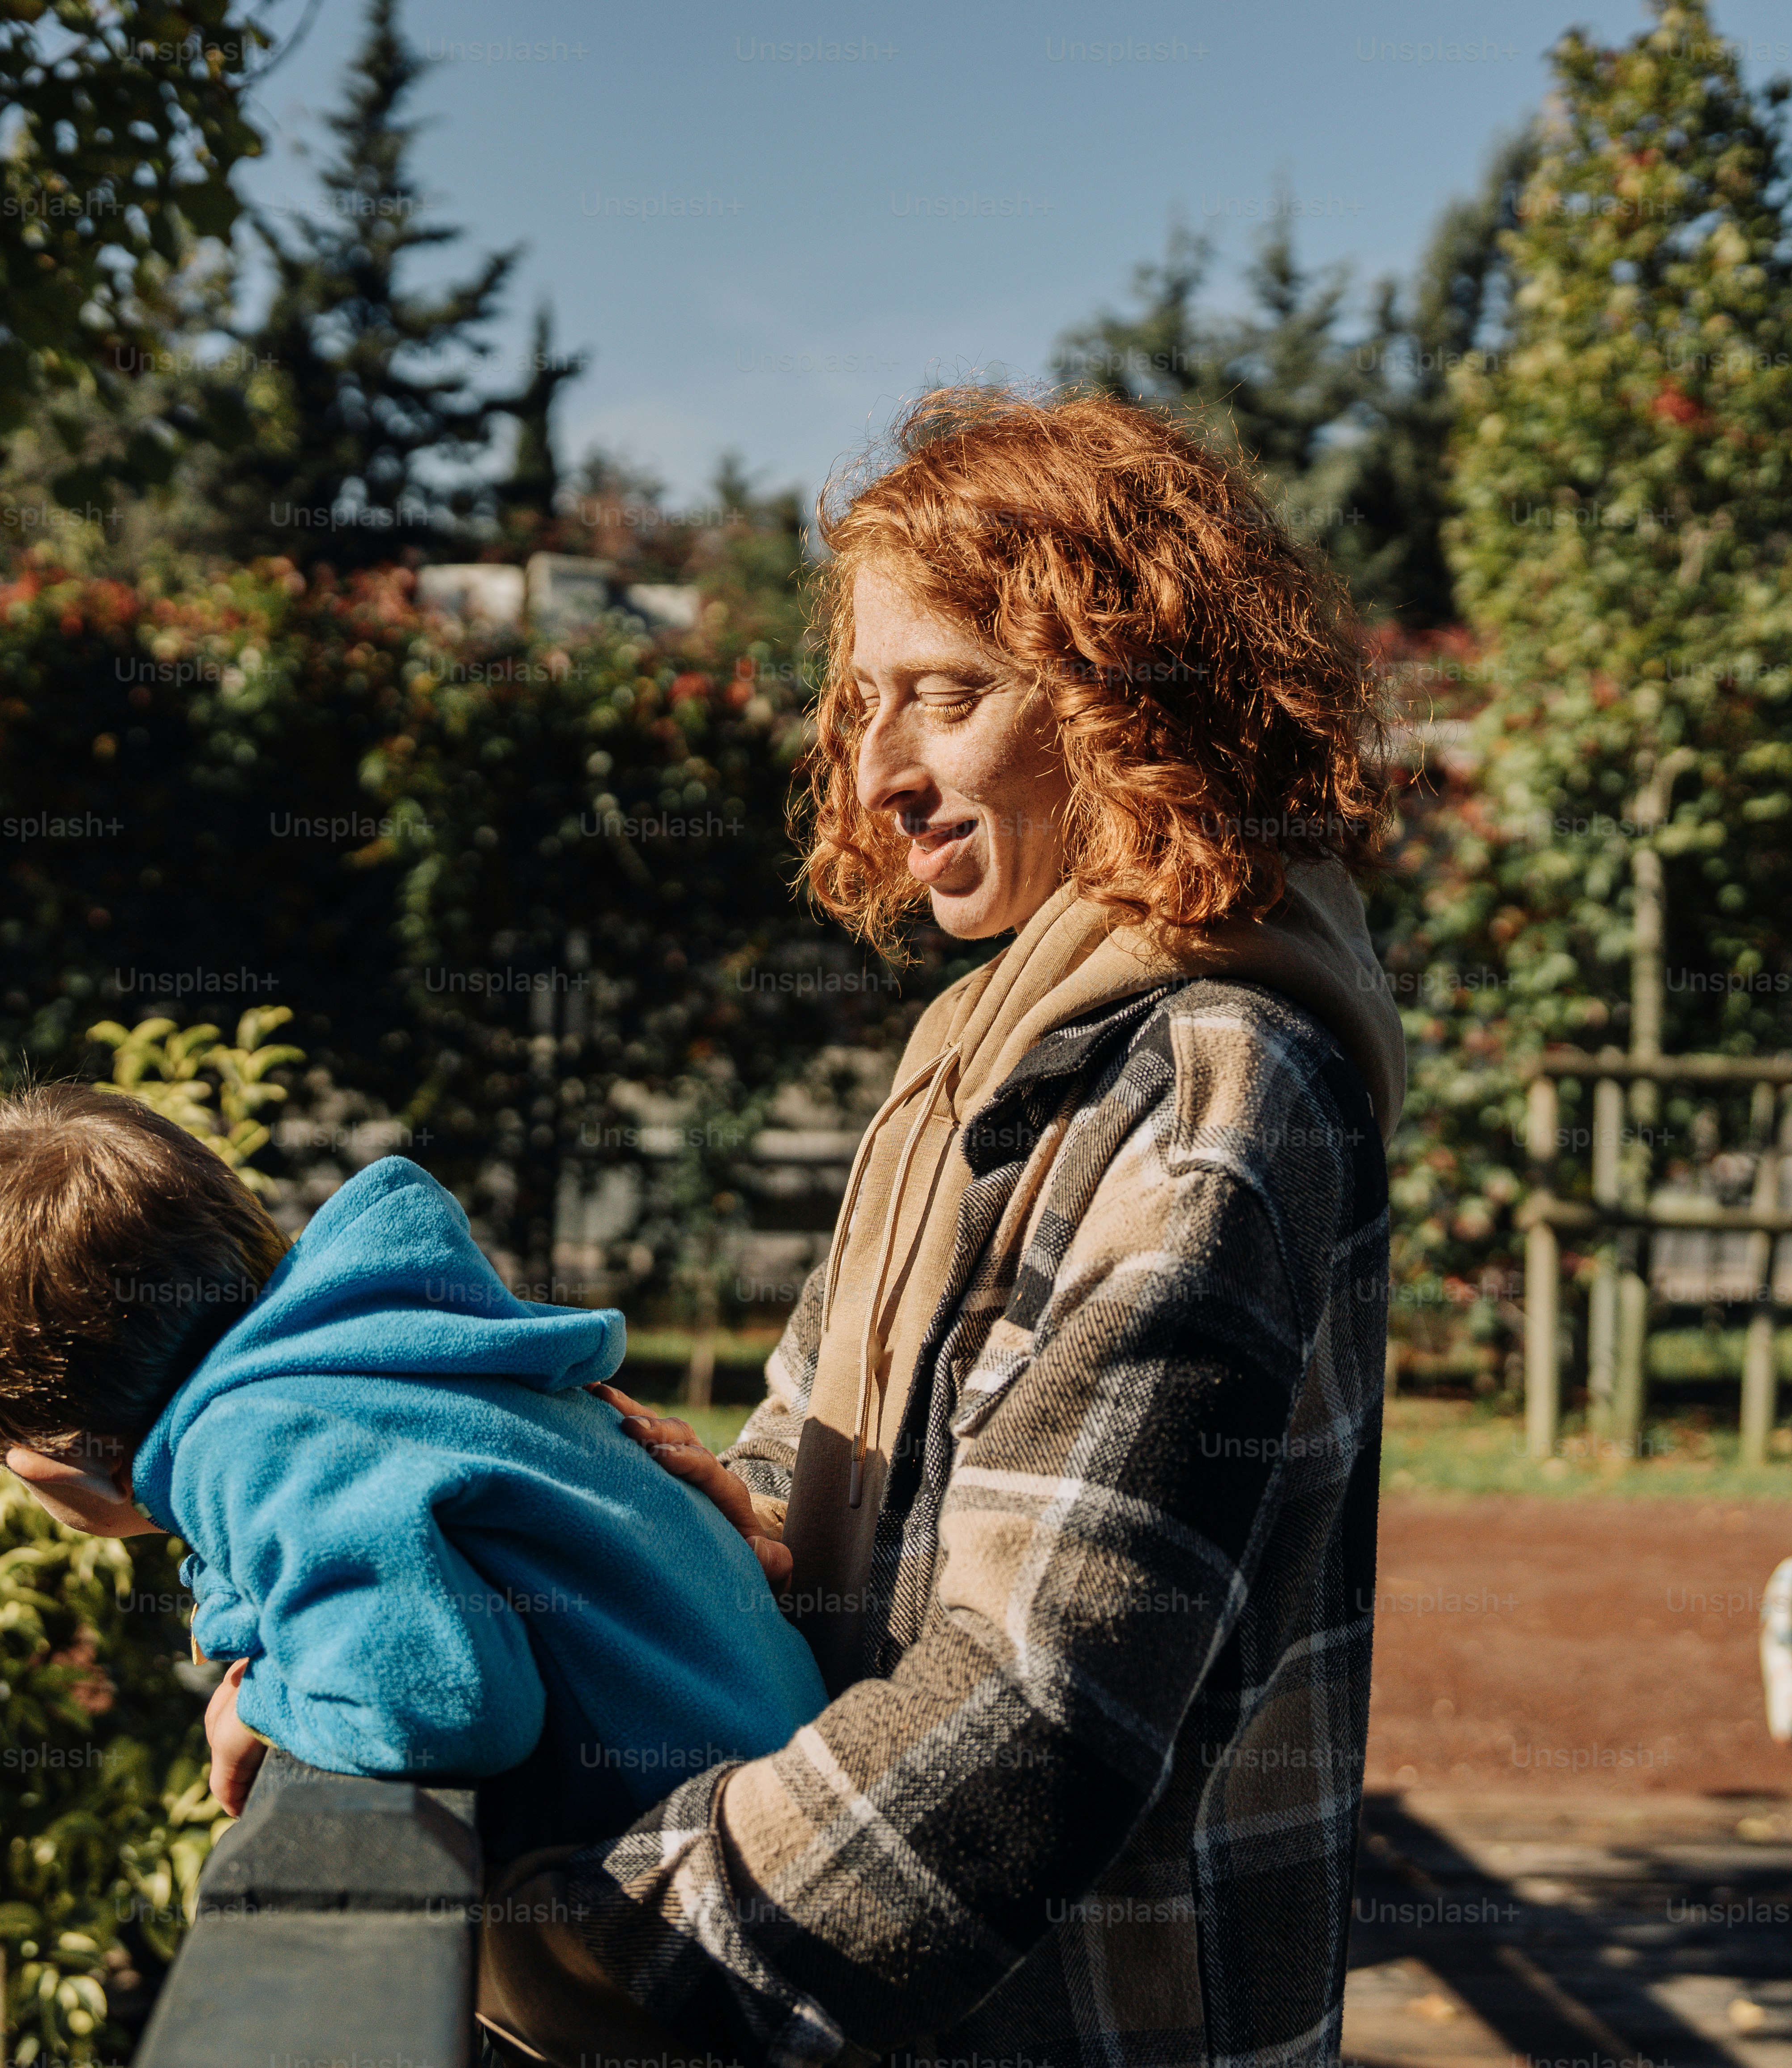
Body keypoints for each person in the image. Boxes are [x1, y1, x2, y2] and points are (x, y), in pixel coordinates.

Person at [442, 386, 1405, 2067]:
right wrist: (571, 1564)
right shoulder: (985, 1049)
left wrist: (608, 1942)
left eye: (949, 695)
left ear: (1136, 699)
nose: (880, 772)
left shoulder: (1213, 1085)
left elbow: (1036, 1702)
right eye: (863, 703)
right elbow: (802, 1466)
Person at [0, 1086, 826, 1859]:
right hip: (778, 1789)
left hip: (720, 1893)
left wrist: (263, 1704)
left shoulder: (248, 1444)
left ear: (57, 1466)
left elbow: (445, 1709)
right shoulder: (368, 1354)